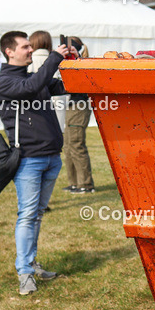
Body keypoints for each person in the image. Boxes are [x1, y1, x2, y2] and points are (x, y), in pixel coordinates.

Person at [0, 30, 74, 295]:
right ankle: (25, 273)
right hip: (29, 161)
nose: (30, 50)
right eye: (25, 47)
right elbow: (31, 88)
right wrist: (53, 58)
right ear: (9, 52)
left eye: (30, 46)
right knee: (27, 216)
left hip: (52, 158)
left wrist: (75, 63)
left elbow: (64, 87)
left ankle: (31, 262)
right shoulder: (3, 82)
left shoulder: (32, 77)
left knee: (36, 215)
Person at [62, 37, 96, 194]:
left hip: (79, 106)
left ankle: (86, 184)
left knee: (76, 144)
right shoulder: (75, 63)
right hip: (72, 105)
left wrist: (75, 59)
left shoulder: (82, 64)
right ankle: (75, 183)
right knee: (68, 145)